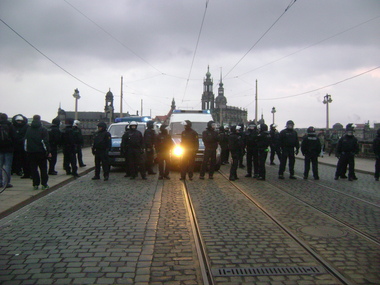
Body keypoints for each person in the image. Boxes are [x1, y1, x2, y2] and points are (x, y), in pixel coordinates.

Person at [24, 115, 51, 190]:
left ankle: (35, 184)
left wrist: (27, 150)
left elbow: (26, 141)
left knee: (34, 169)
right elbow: (45, 142)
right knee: (43, 169)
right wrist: (48, 151)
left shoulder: (29, 129)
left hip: (31, 152)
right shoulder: (43, 129)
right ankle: (44, 184)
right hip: (41, 152)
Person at [11, 114, 30, 178]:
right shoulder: (13, 126)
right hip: (15, 145)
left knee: (23, 159)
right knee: (15, 159)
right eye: (18, 121)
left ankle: (21, 171)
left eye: (20, 121)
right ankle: (16, 170)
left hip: (22, 145)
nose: (19, 122)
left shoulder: (25, 127)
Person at [0, 113, 16, 188]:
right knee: (7, 166)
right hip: (9, 148)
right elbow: (14, 137)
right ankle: (7, 182)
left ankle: (0, 182)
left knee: (0, 166)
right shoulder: (10, 125)